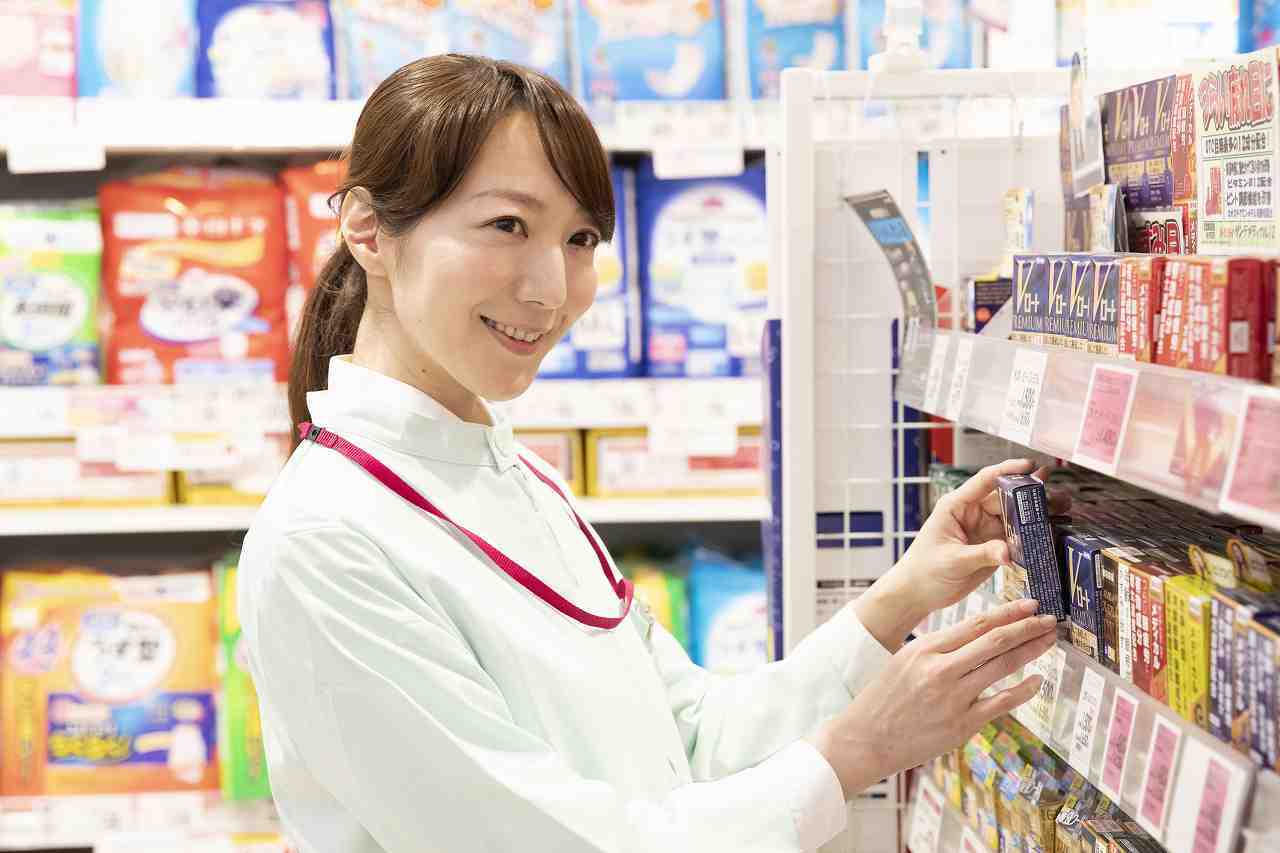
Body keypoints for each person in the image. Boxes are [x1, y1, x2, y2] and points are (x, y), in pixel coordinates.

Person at [239, 54, 1061, 853]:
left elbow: (691, 738)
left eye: (579, 238)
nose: (551, 290)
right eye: (507, 225)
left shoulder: (521, 480)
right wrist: (856, 750)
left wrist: (902, 597)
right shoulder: (325, 540)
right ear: (366, 229)